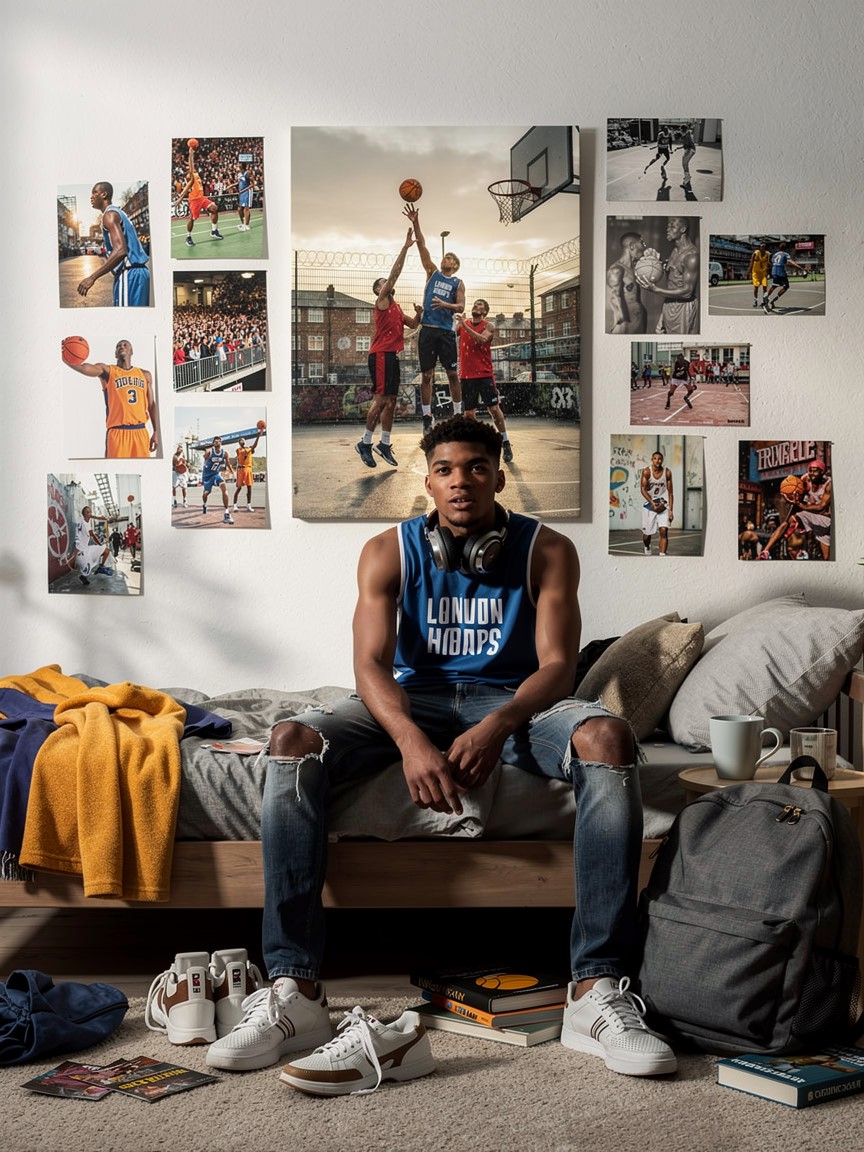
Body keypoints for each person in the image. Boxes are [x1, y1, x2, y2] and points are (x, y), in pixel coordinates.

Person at [204, 416, 677, 1084]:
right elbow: (367, 665)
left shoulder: (547, 550)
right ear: (426, 480)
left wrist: (498, 725)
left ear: (499, 476)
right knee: (292, 740)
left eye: (477, 467)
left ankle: (594, 991)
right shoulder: (385, 551)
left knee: (607, 737)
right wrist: (410, 742)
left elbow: (557, 667)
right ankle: (296, 992)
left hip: (513, 700)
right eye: (447, 469)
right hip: (411, 700)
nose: (462, 482)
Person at [355, 229, 420, 468]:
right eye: (383, 283)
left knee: (391, 401)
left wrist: (419, 314)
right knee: (381, 400)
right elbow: (394, 273)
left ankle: (384, 443)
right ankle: (365, 443)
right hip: (380, 355)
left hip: (392, 356)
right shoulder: (381, 302)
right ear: (378, 290)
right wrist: (405, 247)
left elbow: (412, 324)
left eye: (386, 282)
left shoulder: (398, 308)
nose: (387, 282)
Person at [402, 206, 465, 432]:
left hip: (446, 332)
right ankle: (428, 417)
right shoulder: (432, 272)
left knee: (452, 374)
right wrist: (416, 221)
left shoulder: (457, 282)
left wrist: (445, 304)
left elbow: (461, 306)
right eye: (445, 256)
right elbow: (422, 245)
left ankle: (457, 415)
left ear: (454, 265)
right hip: (428, 330)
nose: (445, 259)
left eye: (449, 258)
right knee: (427, 375)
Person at [63, 339, 159, 458]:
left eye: (125, 345)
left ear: (131, 351)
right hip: (117, 433)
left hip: (140, 432)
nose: (121, 347)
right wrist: (65, 356)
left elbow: (151, 405)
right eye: (118, 346)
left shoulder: (145, 374)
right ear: (115, 354)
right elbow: (84, 368)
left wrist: (156, 431)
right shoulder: (107, 371)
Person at [456, 299, 514, 463]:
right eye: (475, 304)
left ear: (485, 311)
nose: (476, 305)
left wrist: (464, 325)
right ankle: (479, 442)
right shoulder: (463, 323)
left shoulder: (489, 326)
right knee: (469, 414)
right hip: (467, 376)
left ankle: (505, 442)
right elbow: (451, 333)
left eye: (480, 304)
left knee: (494, 410)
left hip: (484, 375)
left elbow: (481, 340)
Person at [76, 182, 150, 307]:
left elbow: (120, 251)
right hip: (139, 274)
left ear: (104, 194)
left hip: (129, 275)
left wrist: (92, 277)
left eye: (95, 192)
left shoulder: (109, 215)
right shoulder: (118, 213)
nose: (91, 196)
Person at [636, 217, 699, 335]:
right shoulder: (675, 250)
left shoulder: (691, 256)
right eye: (668, 226)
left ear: (683, 229)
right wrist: (656, 261)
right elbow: (675, 272)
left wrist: (655, 289)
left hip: (683, 307)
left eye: (672, 226)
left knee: (679, 339)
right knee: (660, 333)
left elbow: (687, 292)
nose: (667, 229)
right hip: (669, 303)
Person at [758, 460, 832, 560]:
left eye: (816, 471)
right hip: (810, 515)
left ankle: (799, 525)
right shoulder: (805, 480)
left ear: (822, 472)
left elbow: (821, 507)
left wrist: (801, 505)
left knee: (827, 557)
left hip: (825, 521)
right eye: (811, 470)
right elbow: (797, 498)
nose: (812, 474)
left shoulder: (829, 484)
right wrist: (790, 497)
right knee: (787, 522)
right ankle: (766, 551)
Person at [176, 144, 224, 247]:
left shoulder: (195, 174)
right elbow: (186, 188)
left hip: (202, 198)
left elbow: (192, 166)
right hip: (194, 200)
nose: (190, 169)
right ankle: (188, 237)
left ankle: (214, 231)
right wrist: (190, 155)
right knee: (192, 219)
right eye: (188, 170)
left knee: (214, 208)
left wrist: (192, 154)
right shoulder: (190, 177)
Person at [606, 231, 648, 334]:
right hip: (626, 326)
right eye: (642, 243)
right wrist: (623, 322)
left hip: (639, 323)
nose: (644, 247)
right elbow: (615, 297)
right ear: (632, 246)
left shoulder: (634, 269)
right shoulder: (616, 270)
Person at [640, 451, 673, 556]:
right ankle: (647, 545)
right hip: (650, 504)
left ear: (662, 460)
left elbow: (670, 493)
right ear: (652, 459)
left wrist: (671, 510)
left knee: (663, 531)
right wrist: (652, 503)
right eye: (655, 458)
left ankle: (662, 556)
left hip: (663, 503)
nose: (657, 461)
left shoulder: (667, 472)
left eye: (659, 459)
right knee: (647, 535)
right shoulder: (646, 472)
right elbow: (643, 489)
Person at [71, 507, 112, 586]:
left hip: (86, 549)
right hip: (82, 552)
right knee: (86, 571)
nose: (90, 513)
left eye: (90, 512)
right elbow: (93, 536)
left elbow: (91, 517)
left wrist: (99, 517)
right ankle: (84, 577)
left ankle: (101, 567)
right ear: (84, 514)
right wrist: (100, 544)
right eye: (87, 512)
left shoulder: (85, 522)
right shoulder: (84, 524)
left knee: (106, 550)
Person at [201, 435, 236, 523]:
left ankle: (227, 513)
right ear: (213, 443)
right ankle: (204, 504)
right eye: (215, 441)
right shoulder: (210, 452)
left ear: (221, 442)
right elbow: (204, 458)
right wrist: (206, 452)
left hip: (216, 474)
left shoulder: (224, 453)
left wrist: (233, 472)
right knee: (206, 493)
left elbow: (228, 463)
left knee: (224, 486)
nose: (217, 442)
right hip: (207, 476)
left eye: (219, 440)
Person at [763, 242, 807, 311]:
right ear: (785, 249)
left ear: (778, 248)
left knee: (774, 286)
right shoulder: (785, 254)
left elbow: (770, 263)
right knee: (786, 286)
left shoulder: (775, 254)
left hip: (774, 271)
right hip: (780, 271)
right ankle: (773, 300)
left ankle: (766, 297)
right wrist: (801, 268)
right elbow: (790, 262)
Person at [232, 429, 262, 511]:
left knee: (249, 488)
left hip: (248, 469)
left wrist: (258, 435)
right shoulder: (238, 450)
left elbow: (254, 446)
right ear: (239, 443)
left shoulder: (249, 448)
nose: (242, 441)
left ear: (245, 441)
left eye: (243, 440)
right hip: (241, 470)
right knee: (239, 488)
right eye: (240, 440)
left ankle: (248, 505)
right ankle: (235, 505)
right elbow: (242, 454)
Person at [747, 240, 772, 309]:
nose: (763, 248)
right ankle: (755, 301)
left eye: (764, 247)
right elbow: (751, 262)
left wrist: (769, 265)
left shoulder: (768, 254)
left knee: (765, 287)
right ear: (759, 247)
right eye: (761, 246)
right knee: (756, 287)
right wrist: (748, 272)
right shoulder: (756, 253)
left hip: (763, 273)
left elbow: (769, 264)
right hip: (756, 273)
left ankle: (764, 301)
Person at [678, 124, 696, 189]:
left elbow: (689, 144)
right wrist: (679, 148)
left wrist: (687, 152)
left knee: (684, 163)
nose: (680, 131)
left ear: (683, 130)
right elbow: (685, 144)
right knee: (685, 163)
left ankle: (686, 180)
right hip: (690, 150)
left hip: (690, 150)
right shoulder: (686, 134)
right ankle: (687, 176)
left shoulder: (687, 135)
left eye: (680, 129)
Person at [173, 444, 189, 508]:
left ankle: (184, 500)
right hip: (176, 473)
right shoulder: (175, 456)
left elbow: (185, 464)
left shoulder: (183, 456)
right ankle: (174, 500)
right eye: (179, 448)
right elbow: (177, 464)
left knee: (184, 487)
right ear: (177, 449)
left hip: (183, 474)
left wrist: (185, 462)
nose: (180, 449)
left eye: (181, 448)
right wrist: (181, 459)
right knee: (174, 487)